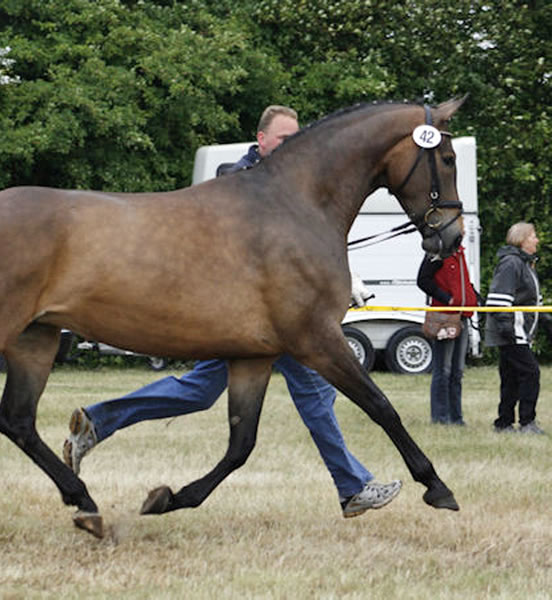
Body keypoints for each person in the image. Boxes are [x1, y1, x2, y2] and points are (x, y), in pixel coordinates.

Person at [63, 105, 402, 519]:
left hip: (274, 321)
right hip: (245, 319)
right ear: (261, 141)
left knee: (235, 393)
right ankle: (352, 488)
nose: (289, 146)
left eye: (295, 139)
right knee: (284, 394)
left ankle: (98, 421)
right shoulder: (239, 177)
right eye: (282, 139)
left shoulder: (296, 187)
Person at [485, 222, 547, 434]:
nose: (537, 240)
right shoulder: (511, 263)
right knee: (531, 373)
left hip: (519, 331)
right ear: (522, 240)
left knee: (511, 378)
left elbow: (533, 303)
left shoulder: (525, 264)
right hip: (512, 332)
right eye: (533, 236)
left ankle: (503, 423)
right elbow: (498, 300)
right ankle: (527, 422)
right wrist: (507, 330)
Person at [417, 232, 479, 425]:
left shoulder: (459, 253)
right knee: (443, 369)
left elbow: (462, 283)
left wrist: (474, 299)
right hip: (445, 317)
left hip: (462, 317)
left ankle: (456, 416)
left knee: (457, 371)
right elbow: (423, 280)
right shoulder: (437, 253)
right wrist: (447, 298)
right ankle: (440, 417)